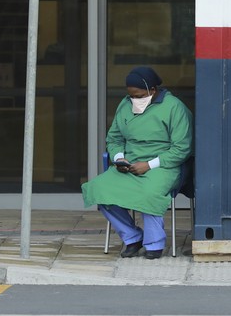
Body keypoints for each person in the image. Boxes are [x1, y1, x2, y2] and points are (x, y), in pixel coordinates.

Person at [82, 66, 193, 259]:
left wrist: (149, 164)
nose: (135, 100)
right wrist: (119, 158)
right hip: (130, 164)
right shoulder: (125, 105)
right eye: (131, 96)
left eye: (139, 95)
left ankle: (154, 243)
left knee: (148, 193)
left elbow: (182, 148)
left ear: (153, 90)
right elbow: (114, 138)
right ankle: (133, 237)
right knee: (98, 189)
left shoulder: (174, 107)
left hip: (164, 165)